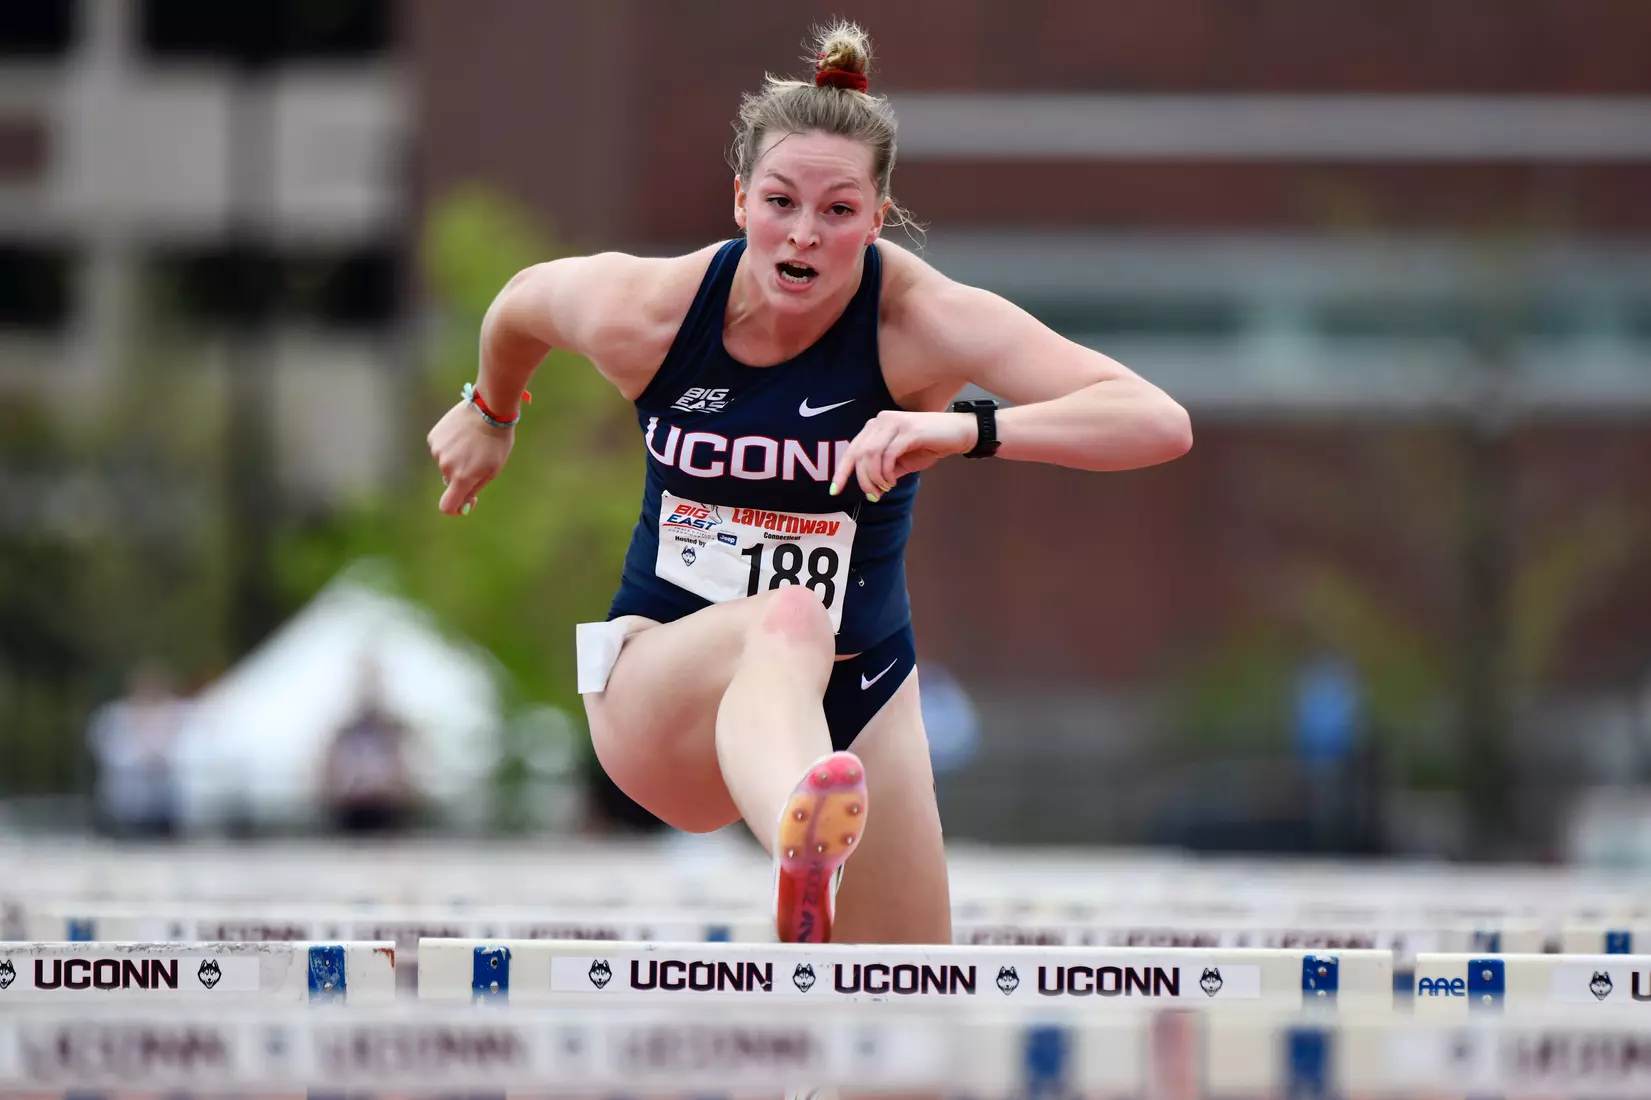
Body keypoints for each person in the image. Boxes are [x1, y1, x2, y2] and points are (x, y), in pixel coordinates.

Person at [426, 21, 1192, 944]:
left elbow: (1155, 422)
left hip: (856, 694)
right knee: (787, 615)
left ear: (876, 219)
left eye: (836, 211)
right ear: (740, 200)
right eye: (781, 202)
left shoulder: (922, 322)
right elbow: (520, 303)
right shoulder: (654, 312)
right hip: (664, 688)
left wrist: (959, 428)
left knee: (906, 1045)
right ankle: (803, 832)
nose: (802, 235)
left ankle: (813, 834)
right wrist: (490, 413)